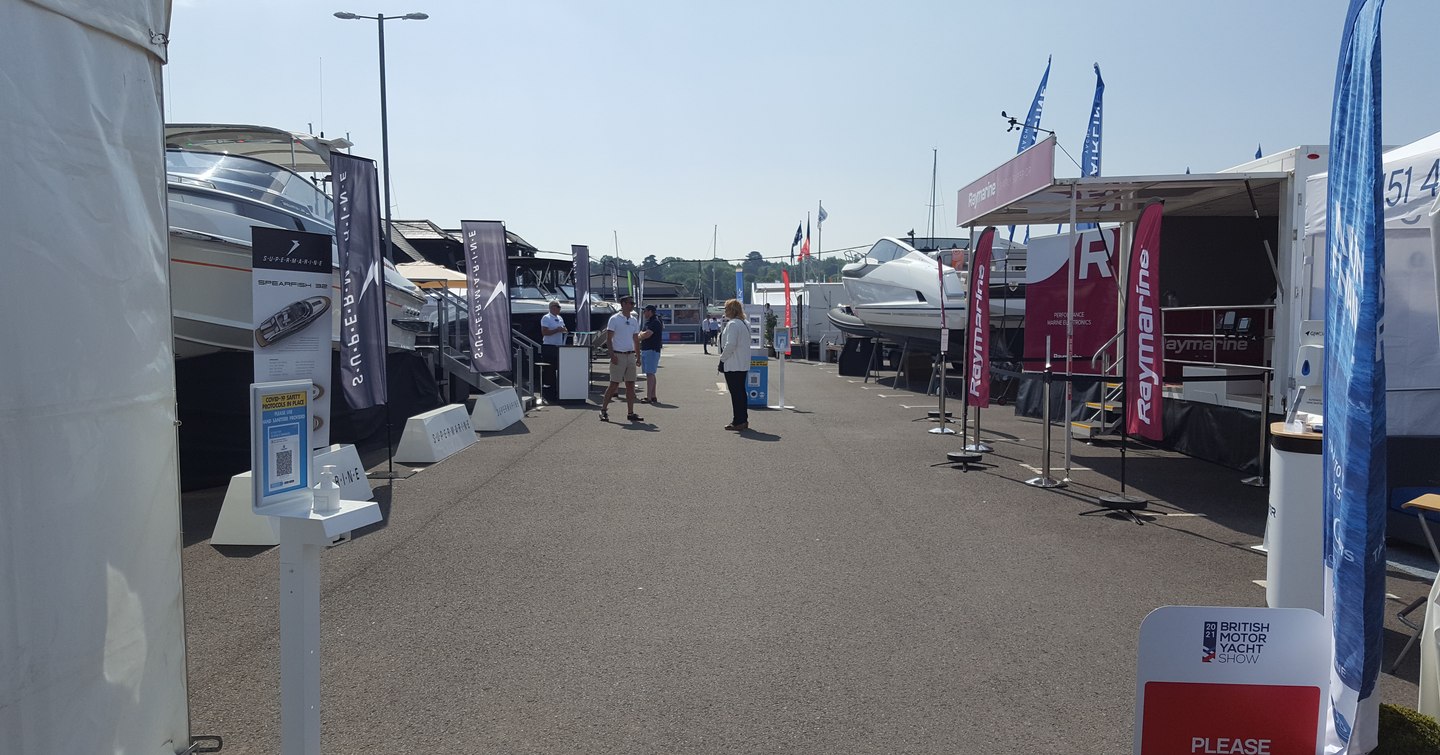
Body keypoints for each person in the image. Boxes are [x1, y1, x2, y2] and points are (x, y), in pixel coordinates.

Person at [599, 294, 643, 423]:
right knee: (614, 384)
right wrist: (612, 355)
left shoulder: (634, 320)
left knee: (630, 385)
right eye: (630, 303)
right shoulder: (614, 319)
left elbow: (636, 339)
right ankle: (603, 410)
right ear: (623, 304)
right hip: (618, 354)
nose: (632, 305)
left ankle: (630, 412)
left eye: (633, 303)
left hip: (630, 355)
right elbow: (609, 339)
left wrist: (638, 356)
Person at [718, 298, 751, 431]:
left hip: (733, 363)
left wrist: (722, 359)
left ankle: (738, 420)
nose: (725, 311)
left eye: (726, 309)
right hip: (742, 363)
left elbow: (730, 344)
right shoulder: (745, 323)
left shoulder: (732, 324)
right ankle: (742, 419)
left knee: (736, 393)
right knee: (741, 393)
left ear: (732, 310)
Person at [538, 300, 567, 402]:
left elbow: (563, 328)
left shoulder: (560, 318)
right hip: (549, 346)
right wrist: (557, 330)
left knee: (557, 369)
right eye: (557, 307)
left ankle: (556, 392)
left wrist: (563, 330)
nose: (559, 309)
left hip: (558, 346)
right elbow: (544, 332)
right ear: (551, 307)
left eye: (559, 307)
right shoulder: (546, 318)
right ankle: (547, 394)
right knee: (549, 370)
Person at [638, 304, 664, 404]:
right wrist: (641, 334)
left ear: (650, 311)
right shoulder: (650, 321)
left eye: (645, 311)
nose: (644, 313)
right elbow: (643, 333)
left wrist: (639, 336)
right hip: (648, 349)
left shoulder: (654, 322)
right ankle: (652, 395)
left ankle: (648, 397)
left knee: (650, 373)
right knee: (651, 373)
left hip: (651, 349)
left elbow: (647, 334)